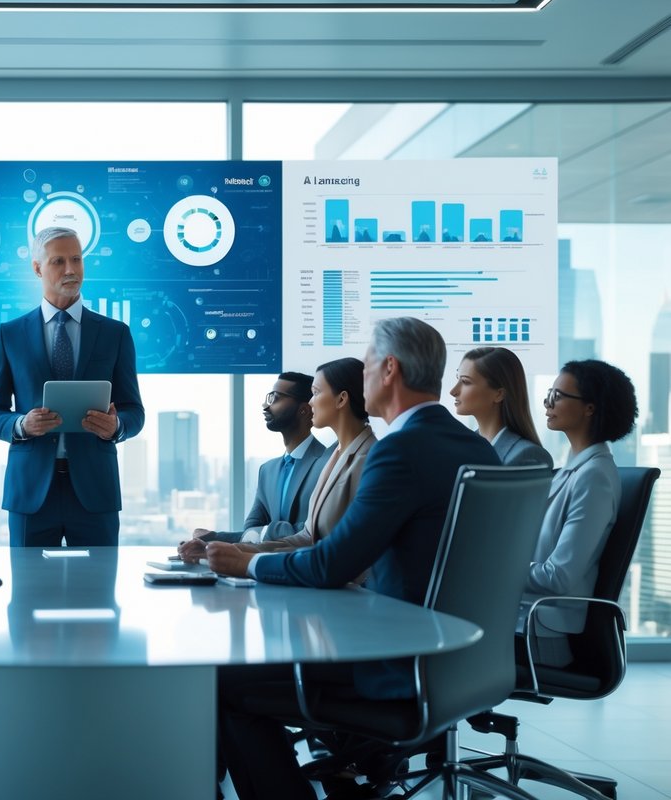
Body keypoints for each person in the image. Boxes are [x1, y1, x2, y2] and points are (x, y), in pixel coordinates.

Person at [207, 317, 500, 800]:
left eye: (366, 366)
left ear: (389, 369)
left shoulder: (399, 450)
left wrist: (247, 564)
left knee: (226, 681)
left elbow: (331, 564)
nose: (361, 380)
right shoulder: (479, 449)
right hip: (467, 658)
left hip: (402, 663)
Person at [0, 226, 145, 547]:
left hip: (95, 490)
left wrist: (116, 427)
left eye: (76, 259)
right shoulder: (9, 335)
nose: (71, 269)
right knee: (28, 582)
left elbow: (134, 412)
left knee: (99, 581)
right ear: (37, 268)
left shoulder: (115, 334)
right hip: (30, 492)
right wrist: (21, 424)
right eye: (58, 261)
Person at [522, 359, 638, 667]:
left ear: (590, 408)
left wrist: (498, 570)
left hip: (541, 635)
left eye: (558, 396)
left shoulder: (594, 477)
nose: (547, 403)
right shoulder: (571, 470)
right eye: (549, 394)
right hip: (524, 621)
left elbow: (559, 576)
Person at [184, 372, 330, 553]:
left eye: (275, 398)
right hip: (265, 568)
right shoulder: (267, 471)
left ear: (304, 410)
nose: (265, 405)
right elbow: (250, 531)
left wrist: (265, 531)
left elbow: (316, 529)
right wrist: (213, 538)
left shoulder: (328, 463)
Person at [256, 357, 376, 558]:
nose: (310, 402)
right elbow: (308, 537)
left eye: (316, 393)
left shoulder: (370, 458)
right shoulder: (333, 457)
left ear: (341, 399)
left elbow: (346, 547)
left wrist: (248, 560)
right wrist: (241, 552)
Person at [451, 346, 553, 467]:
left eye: (465, 382)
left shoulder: (529, 456)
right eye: (457, 379)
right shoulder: (462, 447)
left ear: (499, 394)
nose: (453, 391)